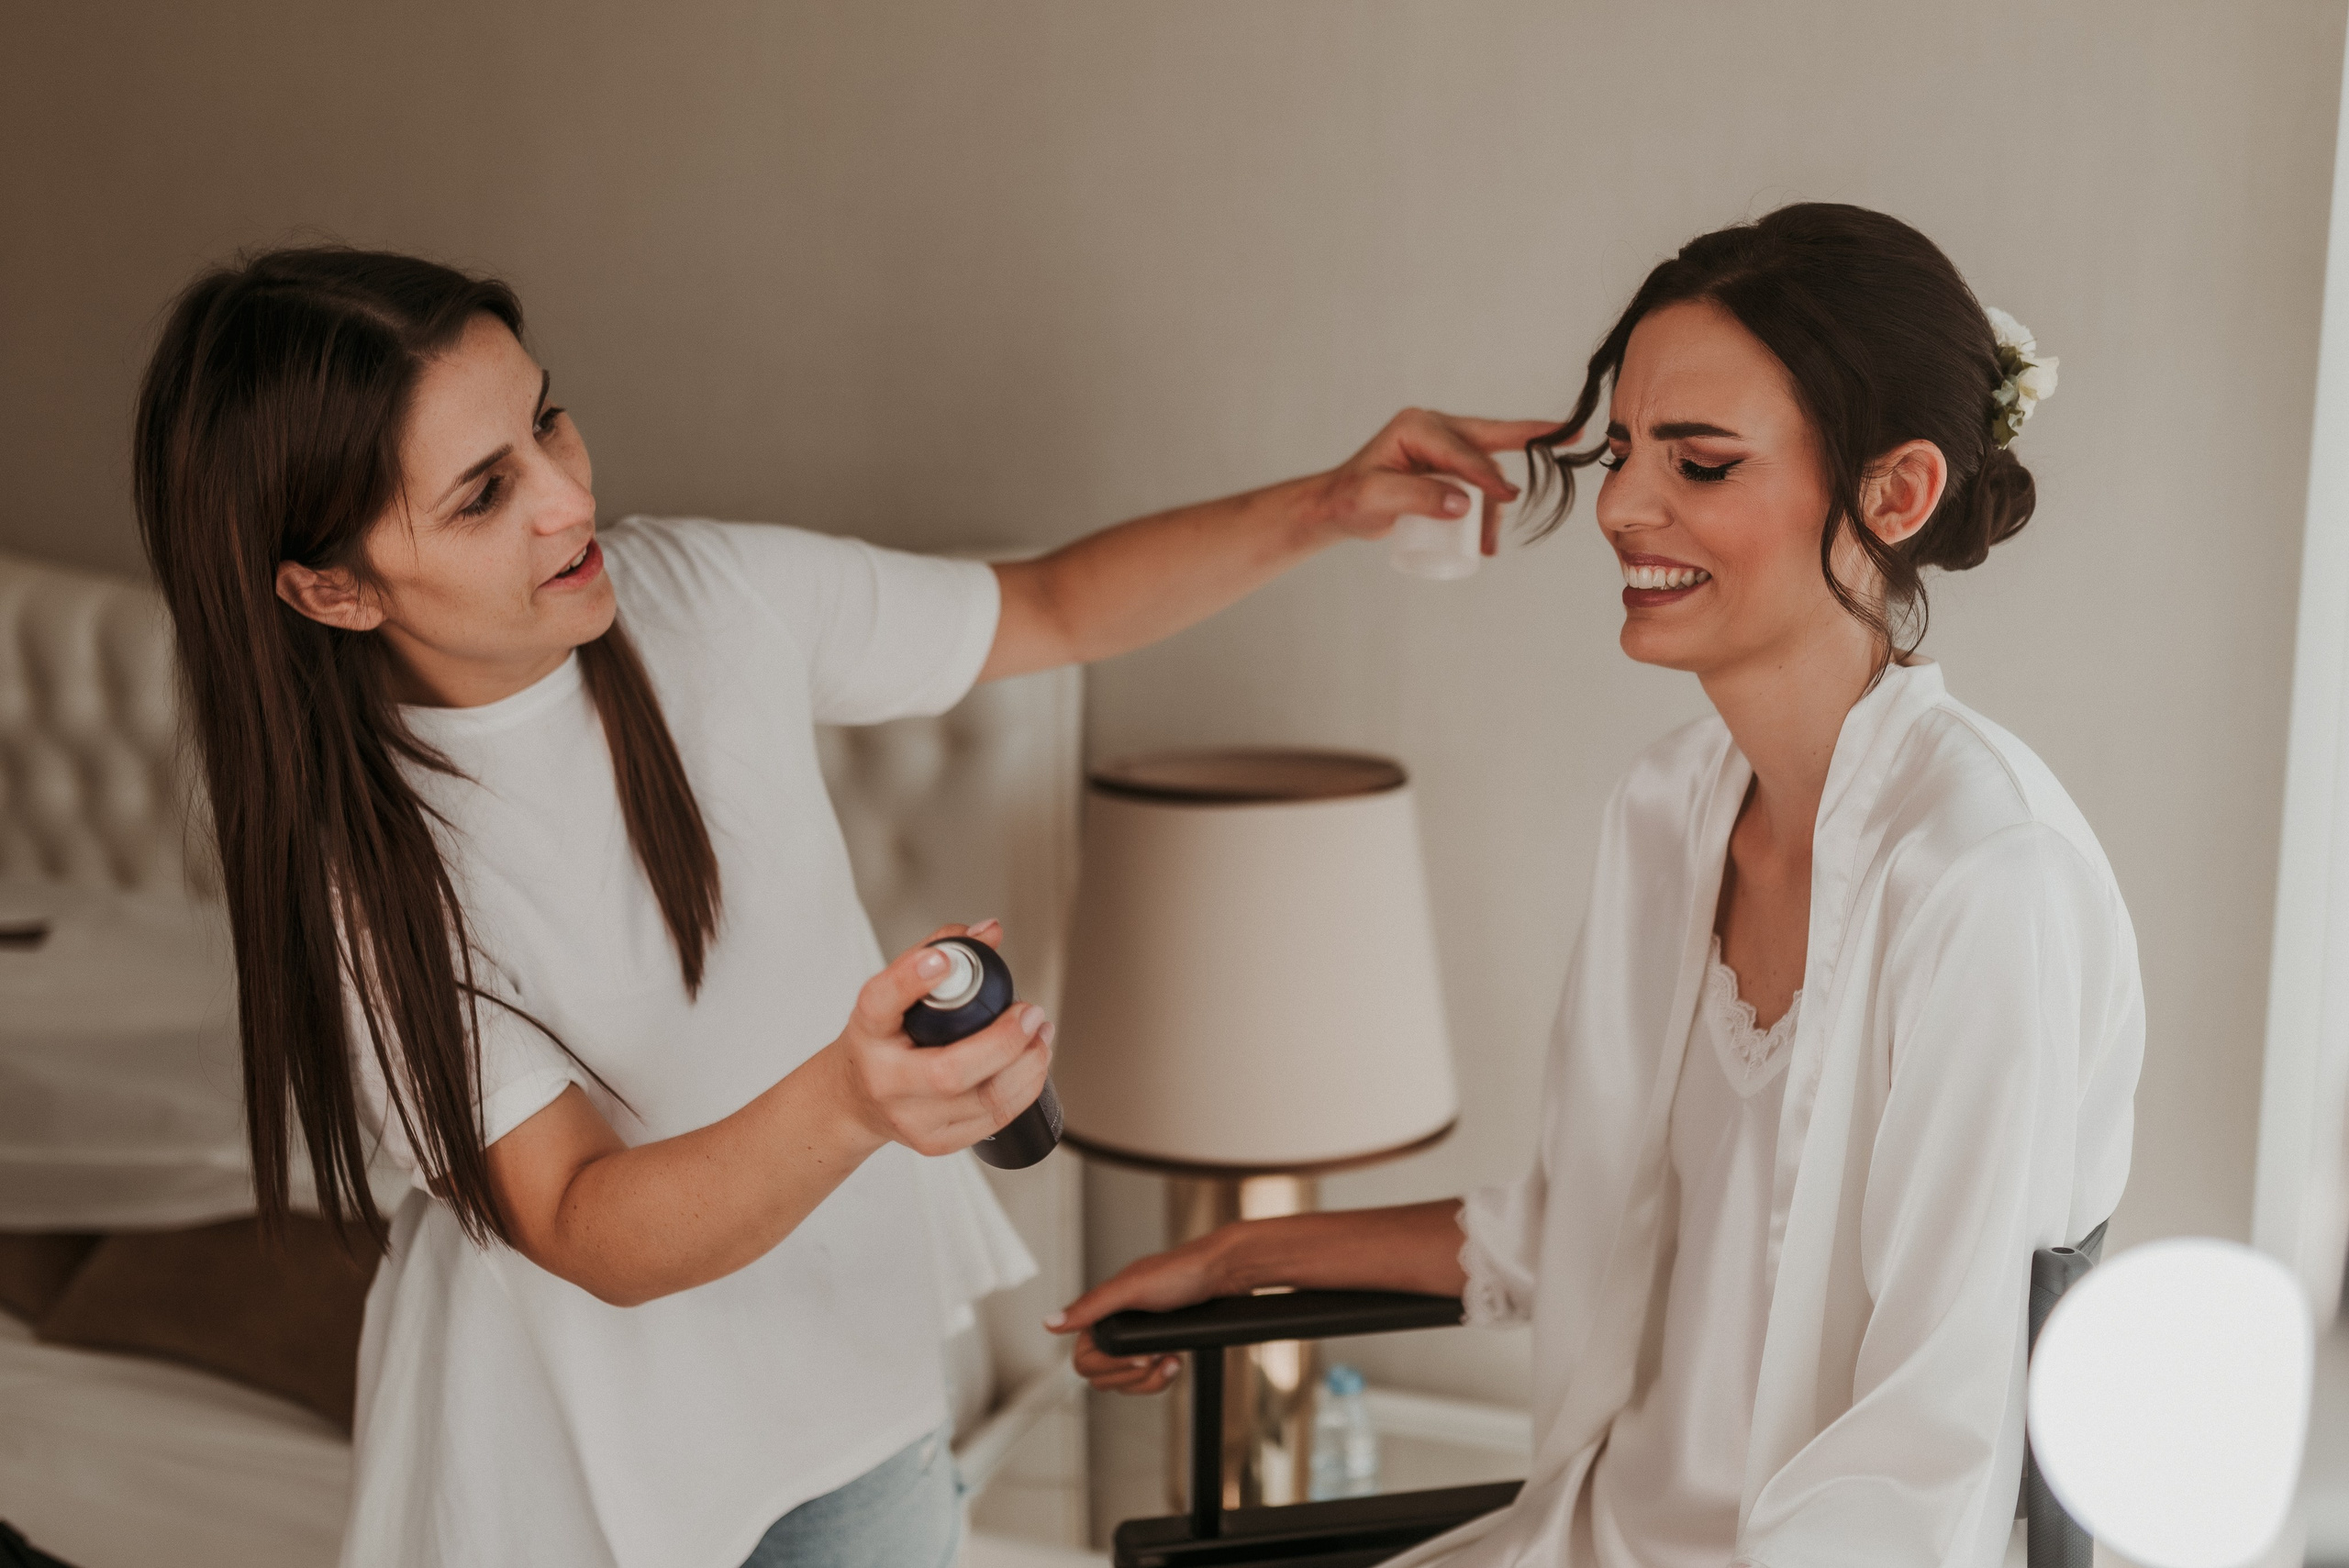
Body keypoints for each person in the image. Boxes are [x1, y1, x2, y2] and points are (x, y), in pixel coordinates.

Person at [130, 246, 1553, 1568]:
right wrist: (856, 1103)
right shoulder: (364, 873)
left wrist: (1331, 504)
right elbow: (580, 1219)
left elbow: (1047, 607)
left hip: (850, 1385)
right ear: (329, 587)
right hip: (583, 1466)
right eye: (482, 492)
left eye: (547, 425)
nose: (569, 498)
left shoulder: (704, 596)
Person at [1052, 204, 2143, 1568]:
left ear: (1897, 492)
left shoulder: (1990, 878)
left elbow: (1930, 1445)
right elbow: (1575, 1225)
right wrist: (1234, 1257)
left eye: (1699, 460)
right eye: (1622, 448)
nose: (1623, 505)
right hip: (1586, 1533)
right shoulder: (1669, 806)